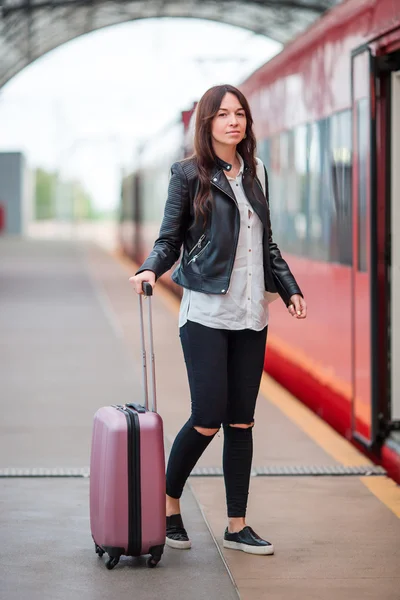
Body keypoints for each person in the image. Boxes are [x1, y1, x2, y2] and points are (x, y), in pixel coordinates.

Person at [130, 84, 307, 556]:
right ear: (206, 123)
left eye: (241, 114)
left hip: (252, 314)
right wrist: (151, 266)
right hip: (206, 312)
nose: (234, 121)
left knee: (242, 422)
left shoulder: (258, 173)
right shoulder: (188, 174)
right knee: (208, 417)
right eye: (224, 114)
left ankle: (237, 525)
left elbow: (266, 244)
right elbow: (170, 237)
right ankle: (168, 504)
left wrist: (289, 289)